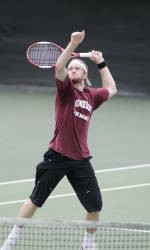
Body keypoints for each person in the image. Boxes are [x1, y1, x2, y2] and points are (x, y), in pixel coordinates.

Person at [1, 30, 117, 250]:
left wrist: (101, 62)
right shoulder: (65, 91)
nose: (72, 69)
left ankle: (88, 243)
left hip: (81, 160)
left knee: (95, 206)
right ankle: (10, 241)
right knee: (35, 200)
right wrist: (72, 45)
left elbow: (111, 88)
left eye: (77, 68)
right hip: (57, 156)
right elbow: (59, 67)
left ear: (84, 74)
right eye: (70, 67)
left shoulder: (92, 97)